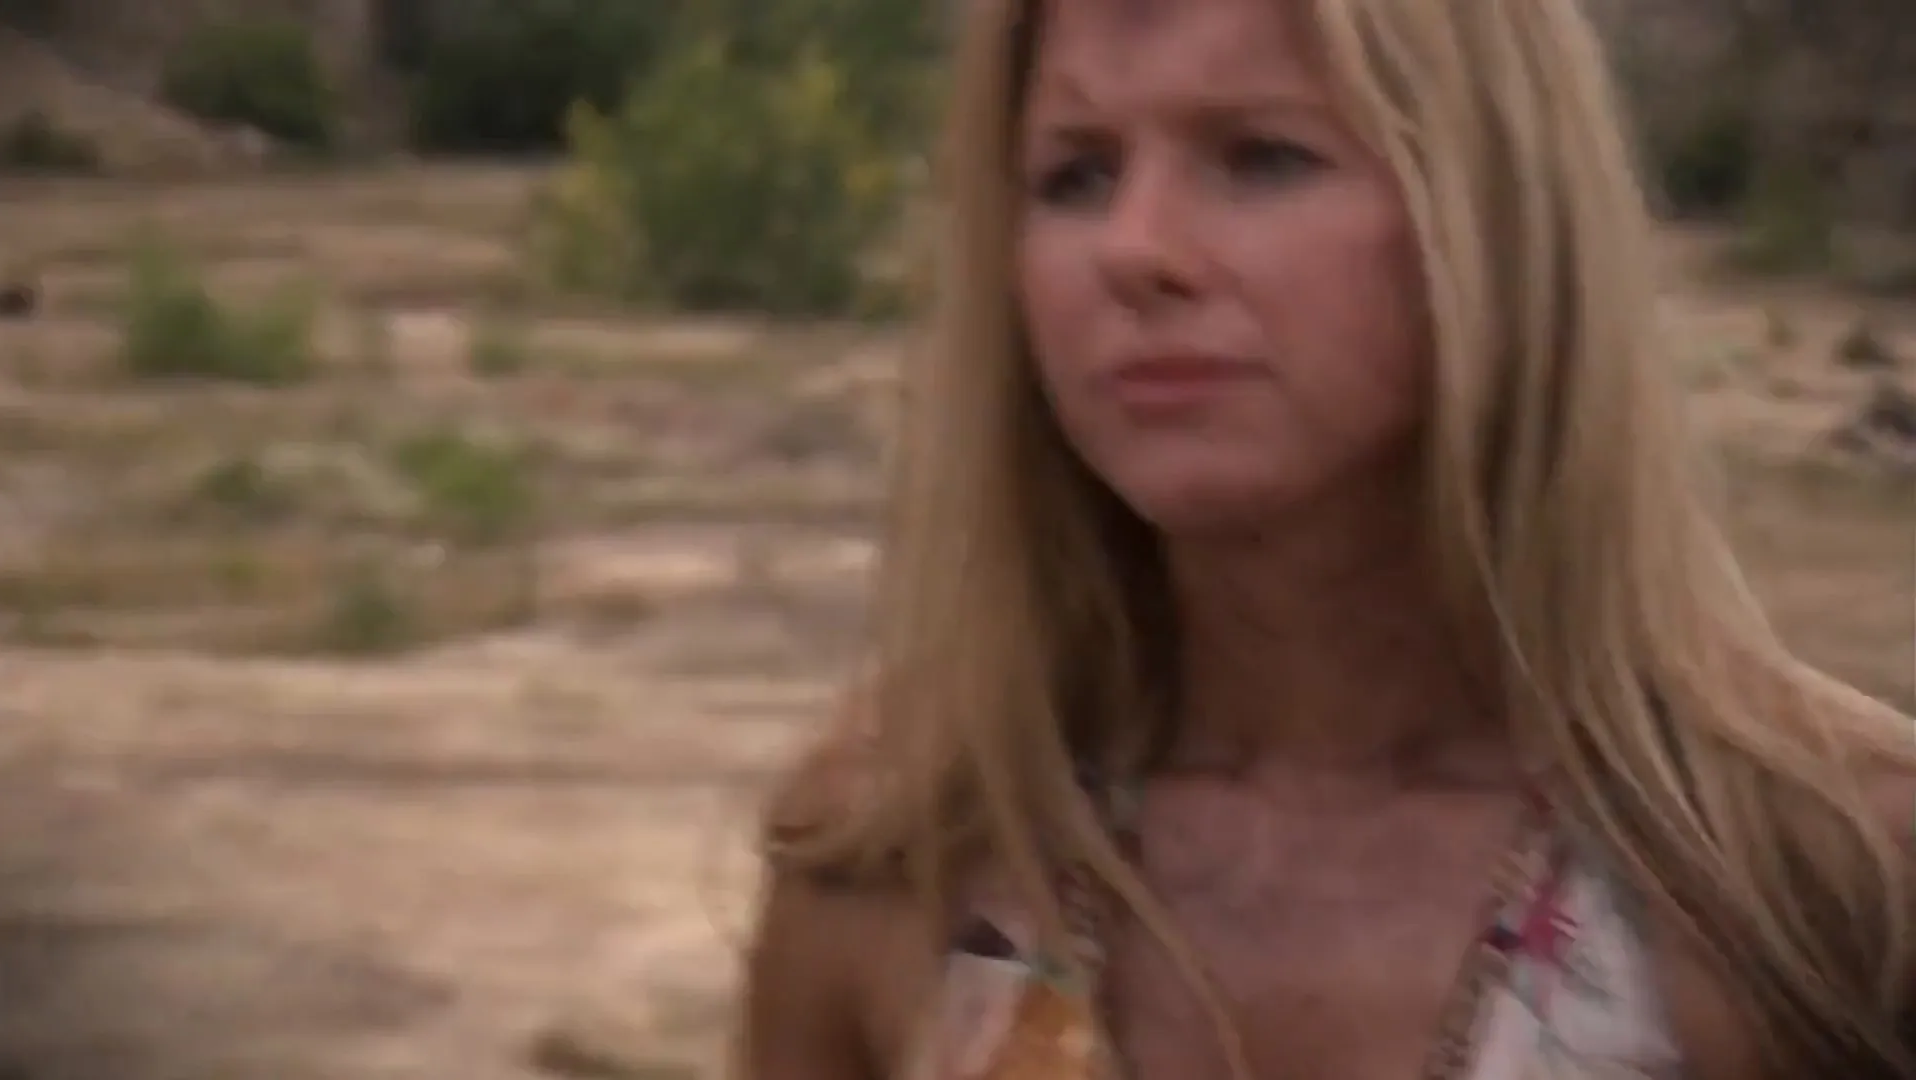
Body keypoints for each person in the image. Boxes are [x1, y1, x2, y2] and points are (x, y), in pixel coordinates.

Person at [735, 0, 1916, 1077]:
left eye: (1262, 157)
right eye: (1076, 174)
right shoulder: (906, 849)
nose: (1135, 249)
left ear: (1495, 213)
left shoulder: (1819, 880)